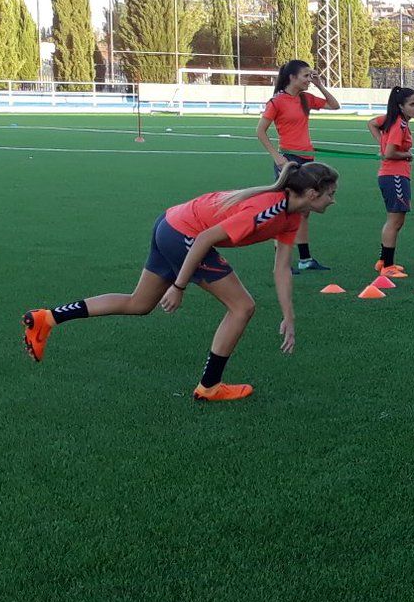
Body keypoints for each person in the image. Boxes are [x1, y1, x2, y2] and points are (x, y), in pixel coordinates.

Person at [21, 161, 340, 402]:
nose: (332, 201)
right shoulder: (267, 210)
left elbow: (281, 268)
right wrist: (179, 286)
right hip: (184, 235)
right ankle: (210, 387)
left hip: (171, 224)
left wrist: (289, 316)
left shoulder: (293, 215)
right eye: (330, 194)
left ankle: (47, 318)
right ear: (311, 193)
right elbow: (204, 238)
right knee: (242, 307)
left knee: (139, 303)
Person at [255, 59, 339, 272]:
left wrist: (320, 85)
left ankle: (305, 259)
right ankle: (281, 263)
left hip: (307, 160)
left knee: (304, 211)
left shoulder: (306, 99)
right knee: (286, 210)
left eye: (311, 75)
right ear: (292, 77)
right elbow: (260, 131)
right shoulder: (276, 102)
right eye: (306, 76)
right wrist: (276, 156)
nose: (309, 79)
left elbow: (334, 105)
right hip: (290, 160)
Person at [371, 85, 414, 277]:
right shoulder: (399, 124)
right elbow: (390, 153)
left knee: (396, 220)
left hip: (392, 175)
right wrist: (406, 154)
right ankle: (387, 266)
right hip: (395, 176)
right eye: (412, 104)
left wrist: (381, 143)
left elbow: (372, 123)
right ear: (401, 106)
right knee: (395, 220)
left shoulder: (394, 120)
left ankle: (383, 261)